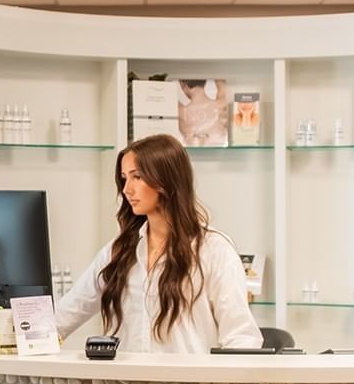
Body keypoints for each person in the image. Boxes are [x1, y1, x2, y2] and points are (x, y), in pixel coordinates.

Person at [56, 134, 262, 353]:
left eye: (137, 177)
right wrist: (24, 337)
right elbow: (69, 310)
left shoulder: (213, 250)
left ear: (165, 180)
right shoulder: (120, 251)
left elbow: (241, 337)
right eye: (124, 178)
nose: (126, 189)